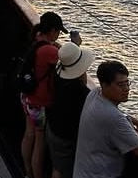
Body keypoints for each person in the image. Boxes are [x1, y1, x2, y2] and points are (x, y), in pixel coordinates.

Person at [73, 61, 138, 178]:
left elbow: (115, 116)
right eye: (120, 85)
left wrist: (133, 120)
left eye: (127, 83)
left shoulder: (94, 94)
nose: (126, 89)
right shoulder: (114, 118)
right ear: (105, 85)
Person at [22, 11, 67, 178]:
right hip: (39, 101)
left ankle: (27, 171)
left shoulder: (37, 39)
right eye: (58, 32)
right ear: (53, 30)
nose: (58, 35)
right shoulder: (49, 50)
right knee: (39, 143)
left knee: (29, 134)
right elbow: (69, 61)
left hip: (27, 96)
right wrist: (74, 46)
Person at [47, 41, 95, 178]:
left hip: (53, 127)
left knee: (57, 167)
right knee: (64, 172)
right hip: (66, 138)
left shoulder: (57, 76)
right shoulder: (81, 92)